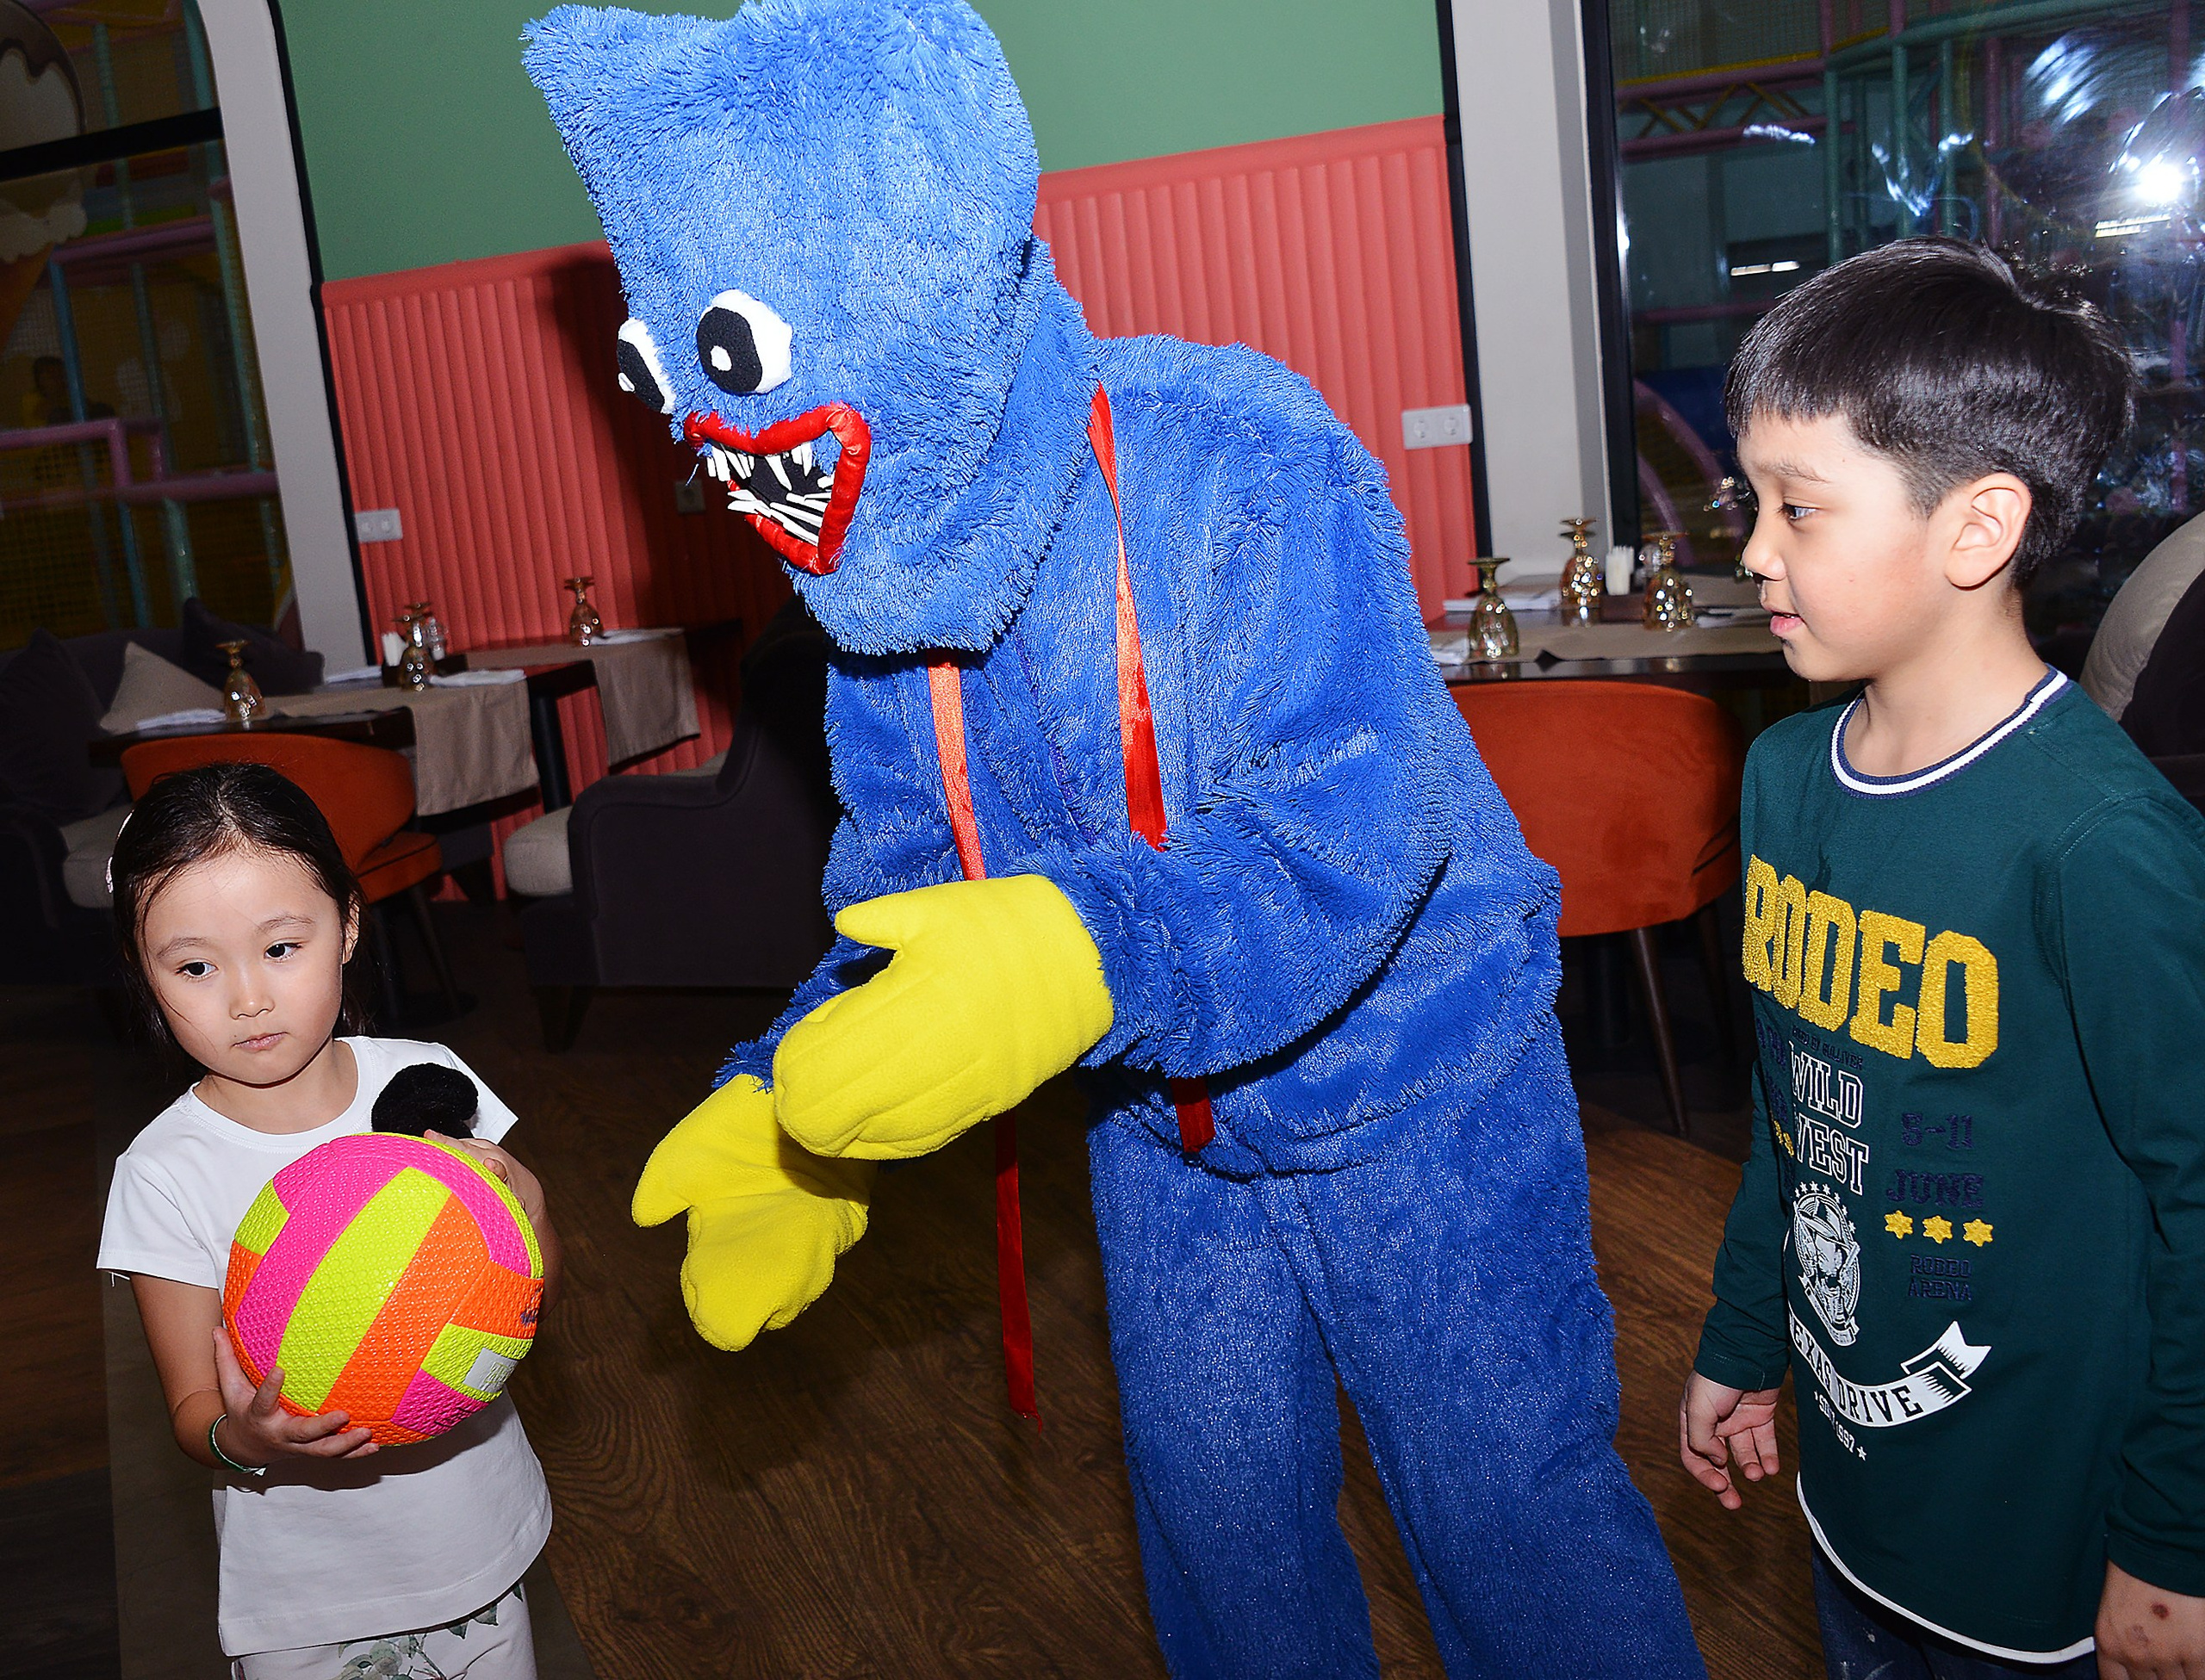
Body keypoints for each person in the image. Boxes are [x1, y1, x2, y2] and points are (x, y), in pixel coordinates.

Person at [1680, 238, 2205, 1679]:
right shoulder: (1785, 780)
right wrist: (1743, 1340)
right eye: (1752, 501)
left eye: (1799, 508)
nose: (1755, 549)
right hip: (1857, 1500)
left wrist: (2177, 1542)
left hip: (2054, 1552)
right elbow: (1797, 1117)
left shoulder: (2101, 843)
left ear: (1975, 531)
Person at [96, 761, 556, 1678]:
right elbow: (193, 1410)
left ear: (346, 923)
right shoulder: (163, 1171)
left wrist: (525, 1199)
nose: (247, 997)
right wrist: (250, 1439)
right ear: (142, 973)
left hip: (474, 1544)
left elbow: (525, 1289)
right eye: (194, 965)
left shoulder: (425, 1077)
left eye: (279, 947)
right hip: (309, 1596)